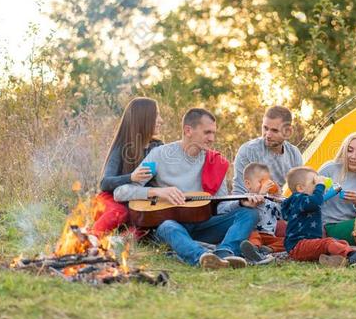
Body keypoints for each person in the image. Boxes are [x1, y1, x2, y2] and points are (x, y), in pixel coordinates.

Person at [113, 108, 263, 269]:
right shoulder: (159, 155)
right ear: (188, 130)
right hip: (171, 227)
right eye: (207, 133)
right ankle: (201, 258)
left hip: (203, 224)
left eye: (213, 133)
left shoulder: (216, 163)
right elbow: (120, 192)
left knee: (249, 214)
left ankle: (224, 254)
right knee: (167, 226)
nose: (212, 138)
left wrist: (242, 203)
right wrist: (156, 191)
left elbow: (221, 207)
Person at [92, 97, 164, 237]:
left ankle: (117, 242)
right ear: (143, 119)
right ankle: (91, 237)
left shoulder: (158, 147)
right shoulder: (122, 147)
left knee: (146, 225)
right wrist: (131, 177)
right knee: (120, 212)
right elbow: (104, 183)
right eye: (156, 116)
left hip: (137, 201)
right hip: (110, 199)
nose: (161, 120)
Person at [281, 167, 356, 267]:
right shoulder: (298, 199)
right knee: (328, 243)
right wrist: (320, 185)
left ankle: (337, 259)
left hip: (309, 243)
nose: (318, 185)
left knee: (338, 242)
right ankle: (353, 257)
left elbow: (317, 201)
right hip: (298, 246)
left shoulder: (304, 201)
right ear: (300, 188)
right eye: (314, 182)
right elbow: (316, 202)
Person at [232, 106, 303, 195]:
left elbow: (300, 190)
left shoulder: (294, 154)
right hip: (253, 205)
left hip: (284, 205)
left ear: (288, 132)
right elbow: (239, 192)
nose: (268, 135)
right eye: (265, 128)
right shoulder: (248, 151)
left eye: (274, 130)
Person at [236, 163, 285, 264]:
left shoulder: (270, 201)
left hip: (269, 236)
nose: (265, 184)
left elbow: (282, 215)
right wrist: (261, 194)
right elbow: (251, 206)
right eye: (261, 181)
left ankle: (267, 250)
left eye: (267, 181)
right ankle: (253, 249)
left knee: (287, 241)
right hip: (252, 233)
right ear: (248, 184)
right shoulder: (246, 198)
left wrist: (279, 197)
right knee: (253, 237)